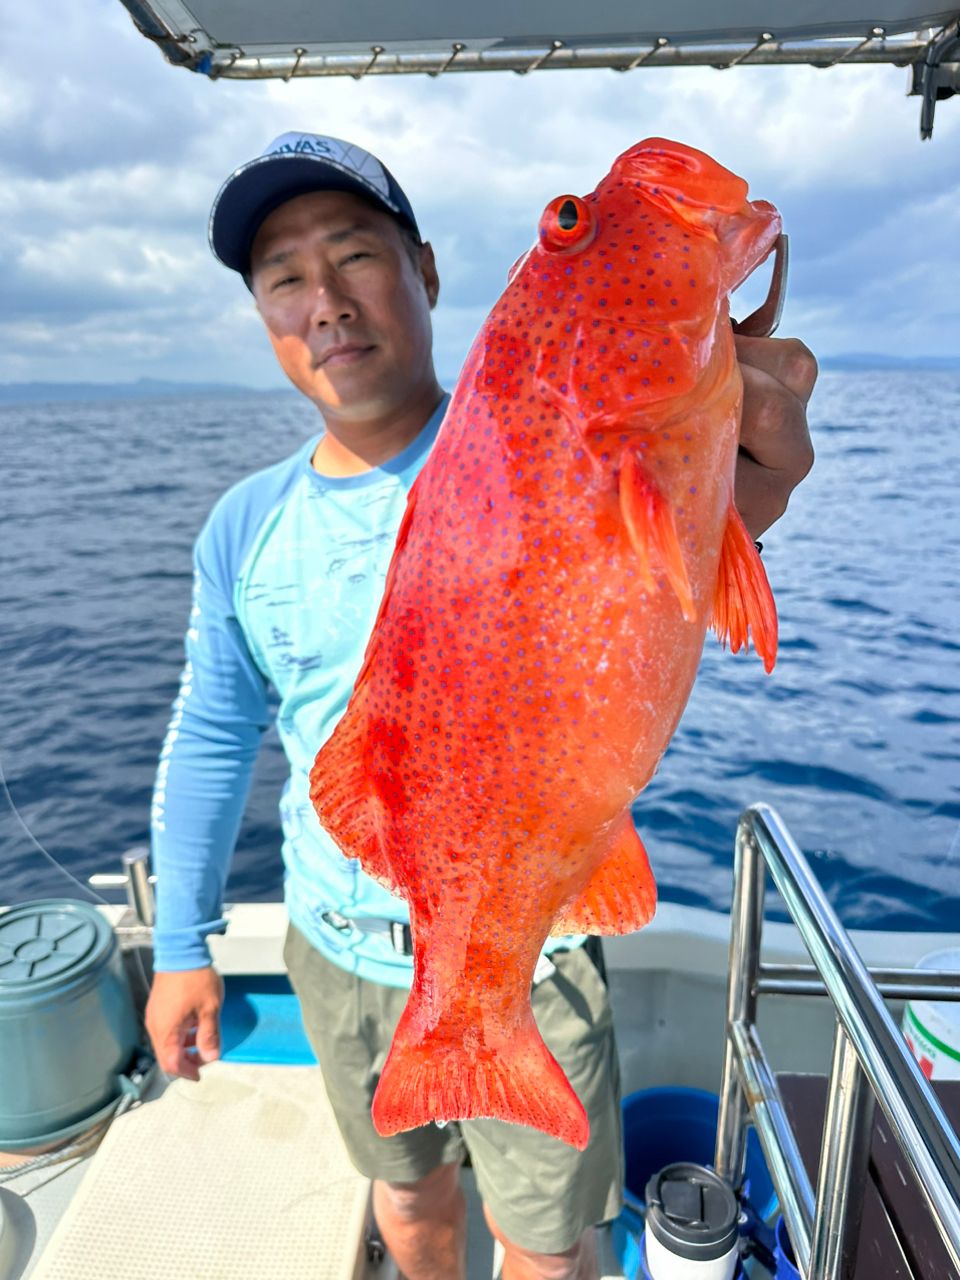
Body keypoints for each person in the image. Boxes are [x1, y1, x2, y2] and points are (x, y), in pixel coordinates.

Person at [145, 131, 816, 1280]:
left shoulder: (552, 428)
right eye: (284, 277)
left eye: (356, 256)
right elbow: (213, 732)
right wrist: (177, 942)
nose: (325, 302)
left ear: (431, 274)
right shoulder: (244, 527)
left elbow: (661, 582)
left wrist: (742, 484)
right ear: (262, 316)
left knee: (550, 1243)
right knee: (408, 1206)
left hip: (535, 950)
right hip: (339, 952)